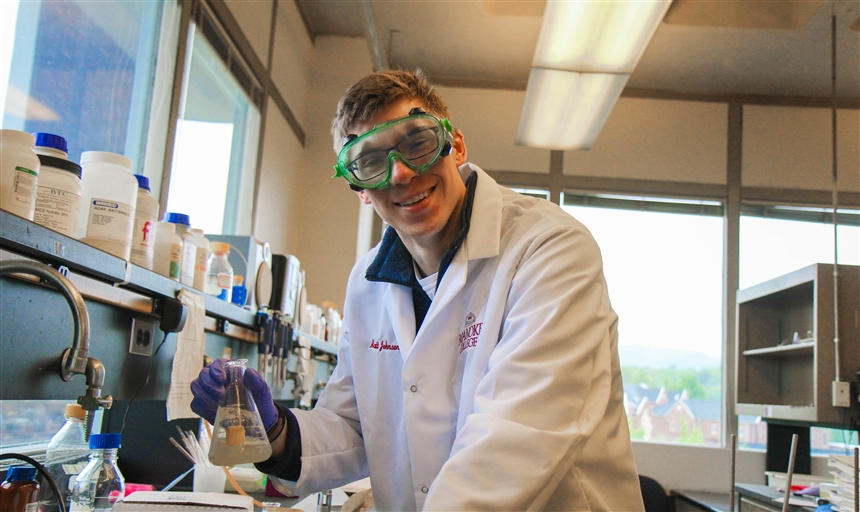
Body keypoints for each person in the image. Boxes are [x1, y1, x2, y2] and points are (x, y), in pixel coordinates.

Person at [191, 69, 644, 511]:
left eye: (418, 143)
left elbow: (518, 439)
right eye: (370, 162)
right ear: (360, 190)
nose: (402, 174)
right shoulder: (367, 282)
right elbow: (355, 425)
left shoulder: (549, 248)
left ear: (457, 146)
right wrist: (273, 431)